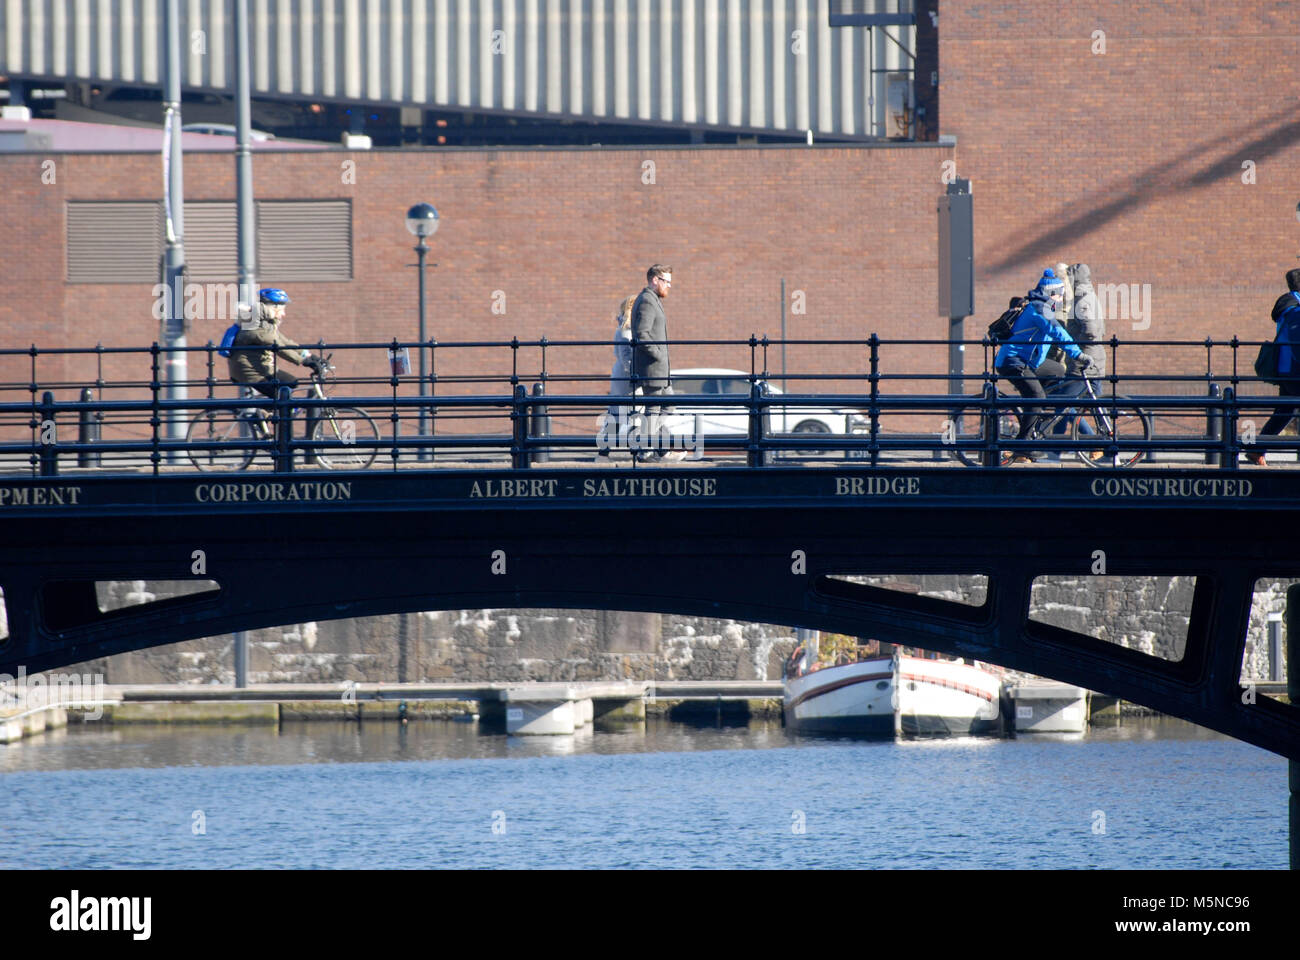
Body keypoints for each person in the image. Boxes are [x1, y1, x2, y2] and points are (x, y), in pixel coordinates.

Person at [994, 269, 1091, 462]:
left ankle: (1036, 417)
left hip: (1029, 361)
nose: (1062, 298)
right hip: (1014, 362)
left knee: (1057, 370)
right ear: (1050, 293)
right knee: (1036, 398)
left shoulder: (1043, 307)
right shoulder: (1040, 309)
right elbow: (1058, 333)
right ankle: (1022, 446)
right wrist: (1078, 354)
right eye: (1059, 294)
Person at [227, 288, 322, 401]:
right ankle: (276, 417)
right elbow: (278, 346)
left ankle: (271, 413)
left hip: (260, 367)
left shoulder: (265, 323)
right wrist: (303, 361)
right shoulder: (255, 326)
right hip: (249, 371)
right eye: (282, 310)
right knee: (282, 395)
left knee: (291, 383)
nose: (284, 314)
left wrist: (308, 355)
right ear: (273, 308)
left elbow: (285, 341)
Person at [630, 264, 684, 461]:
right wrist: (659, 354)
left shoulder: (651, 300)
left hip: (659, 369)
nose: (669, 285)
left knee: (668, 406)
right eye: (666, 281)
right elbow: (641, 335)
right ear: (655, 280)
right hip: (652, 368)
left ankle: (651, 441)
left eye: (670, 282)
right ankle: (645, 449)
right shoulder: (647, 301)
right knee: (653, 410)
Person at [1247, 268, 1300, 466]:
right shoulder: (1293, 308)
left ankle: (1256, 449)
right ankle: (1256, 449)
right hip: (1294, 369)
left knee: (1286, 411)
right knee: (1287, 410)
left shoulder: (1289, 306)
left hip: (1288, 368)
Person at [597, 295, 637, 457]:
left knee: (618, 413)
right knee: (634, 412)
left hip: (620, 375)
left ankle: (604, 449)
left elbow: (619, 353)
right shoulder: (627, 329)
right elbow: (626, 355)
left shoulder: (622, 328)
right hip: (627, 377)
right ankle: (640, 450)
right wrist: (634, 375)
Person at [1067, 263, 1106, 377]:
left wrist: (1077, 343)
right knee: (1094, 392)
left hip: (1084, 361)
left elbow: (1091, 330)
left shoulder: (1082, 301)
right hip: (1095, 358)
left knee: (1070, 393)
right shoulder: (1091, 296)